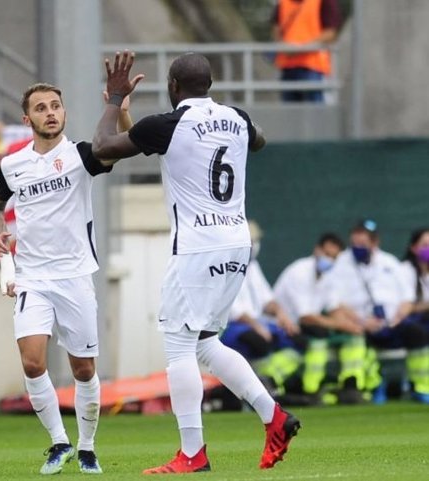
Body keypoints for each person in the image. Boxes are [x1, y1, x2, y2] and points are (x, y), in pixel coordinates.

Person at [92, 51, 299, 474]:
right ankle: (273, 416)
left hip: (197, 246)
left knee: (179, 346)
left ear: (172, 87)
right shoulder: (235, 118)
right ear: (211, 84)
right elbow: (256, 138)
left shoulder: (167, 125)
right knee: (205, 342)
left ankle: (192, 453)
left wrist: (114, 99)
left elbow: (101, 148)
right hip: (236, 243)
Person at [0, 83, 133, 475]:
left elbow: (126, 145)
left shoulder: (81, 155)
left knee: (84, 370)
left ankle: (87, 447)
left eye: (55, 106)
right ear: (27, 119)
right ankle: (59, 442)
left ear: (63, 113)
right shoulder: (13, 165)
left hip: (75, 277)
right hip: (33, 278)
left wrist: (120, 109)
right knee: (32, 364)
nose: (50, 112)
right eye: (41, 108)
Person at [322, 220, 416, 402]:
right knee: (358, 341)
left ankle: (420, 386)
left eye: (362, 244)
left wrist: (397, 317)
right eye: (355, 243)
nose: (358, 247)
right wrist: (362, 322)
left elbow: (408, 298)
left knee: (417, 333)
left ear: (374, 243)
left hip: (391, 324)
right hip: (358, 325)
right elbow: (334, 303)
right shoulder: (341, 263)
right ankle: (366, 387)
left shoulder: (389, 262)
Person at [273, 232, 371, 402]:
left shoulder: (328, 276)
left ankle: (351, 385)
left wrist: (355, 324)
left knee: (354, 337)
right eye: (326, 254)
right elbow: (306, 317)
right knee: (319, 337)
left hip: (310, 326)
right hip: (285, 327)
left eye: (333, 257)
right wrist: (340, 324)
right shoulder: (299, 271)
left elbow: (334, 307)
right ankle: (311, 390)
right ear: (316, 250)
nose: (329, 260)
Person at [221, 220, 305, 396]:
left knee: (297, 340)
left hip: (259, 323)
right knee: (257, 341)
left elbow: (267, 300)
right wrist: (256, 326)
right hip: (233, 327)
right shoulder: (225, 266)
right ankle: (255, 384)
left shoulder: (253, 266)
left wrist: (282, 315)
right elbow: (233, 310)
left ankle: (269, 378)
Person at [272, 0, 341, 102]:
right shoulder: (283, 2)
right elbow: (276, 28)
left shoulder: (324, 2)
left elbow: (330, 33)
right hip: (287, 67)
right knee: (288, 114)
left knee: (314, 112)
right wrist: (283, 45)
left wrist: (300, 48)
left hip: (313, 67)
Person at [397, 228, 429, 402]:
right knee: (418, 332)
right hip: (402, 325)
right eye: (425, 245)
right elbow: (405, 307)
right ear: (414, 248)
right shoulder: (404, 270)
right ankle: (420, 386)